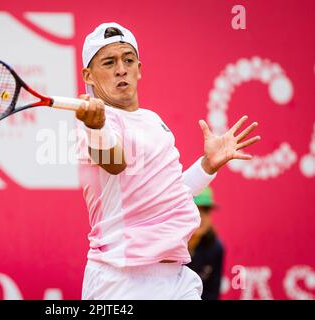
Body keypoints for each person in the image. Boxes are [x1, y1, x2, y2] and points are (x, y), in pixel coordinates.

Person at [75, 22, 260, 300]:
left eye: (128, 60)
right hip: (120, 280)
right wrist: (96, 127)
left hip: (177, 277)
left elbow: (172, 194)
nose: (121, 69)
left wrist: (207, 166)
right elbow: (114, 162)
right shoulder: (95, 125)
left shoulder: (153, 120)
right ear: (88, 75)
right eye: (109, 62)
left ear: (139, 68)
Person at [187, 187, 225, 300]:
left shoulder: (216, 248)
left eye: (206, 210)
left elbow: (212, 294)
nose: (201, 216)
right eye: (195, 209)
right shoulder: (167, 245)